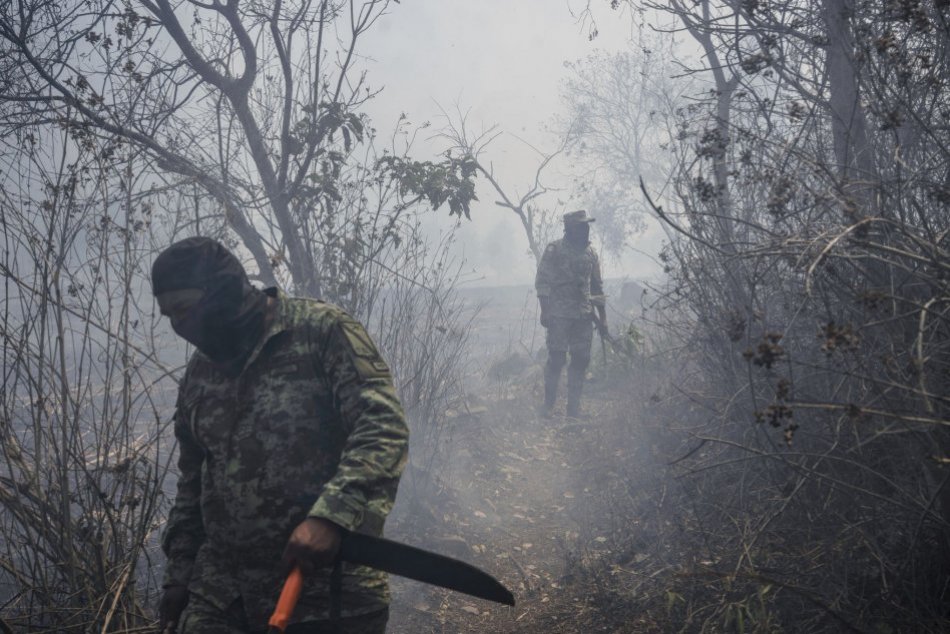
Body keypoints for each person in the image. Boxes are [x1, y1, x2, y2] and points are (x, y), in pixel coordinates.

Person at [153, 237, 409, 634]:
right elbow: (193, 480)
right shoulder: (200, 375)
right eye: (169, 315)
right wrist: (179, 573)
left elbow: (381, 427)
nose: (179, 326)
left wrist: (331, 517)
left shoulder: (322, 331)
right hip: (222, 595)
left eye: (185, 310)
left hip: (325, 592)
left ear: (220, 293)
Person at [534, 210, 607, 418]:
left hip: (583, 316)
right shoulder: (554, 250)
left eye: (587, 225)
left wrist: (603, 319)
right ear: (570, 228)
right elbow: (542, 282)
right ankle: (547, 406)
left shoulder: (591, 253)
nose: (586, 228)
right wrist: (545, 311)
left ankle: (573, 411)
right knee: (557, 359)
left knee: (581, 359)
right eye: (581, 225)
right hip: (559, 315)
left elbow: (597, 288)